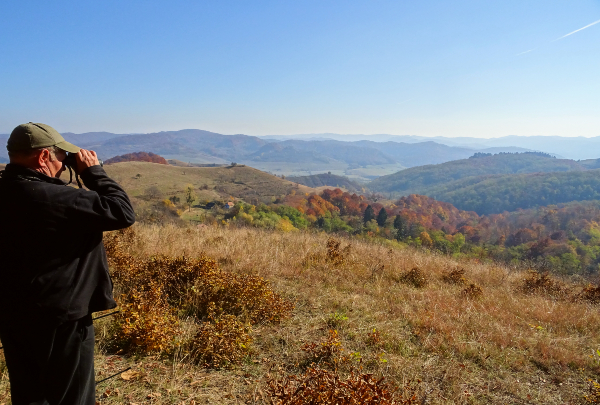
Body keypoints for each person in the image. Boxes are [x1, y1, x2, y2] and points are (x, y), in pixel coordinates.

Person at [0, 123, 135, 404]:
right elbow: (122, 212)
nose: (64, 165)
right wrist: (94, 172)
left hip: (13, 314)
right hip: (61, 318)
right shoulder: (58, 198)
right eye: (61, 157)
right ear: (43, 158)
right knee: (73, 397)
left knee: (29, 395)